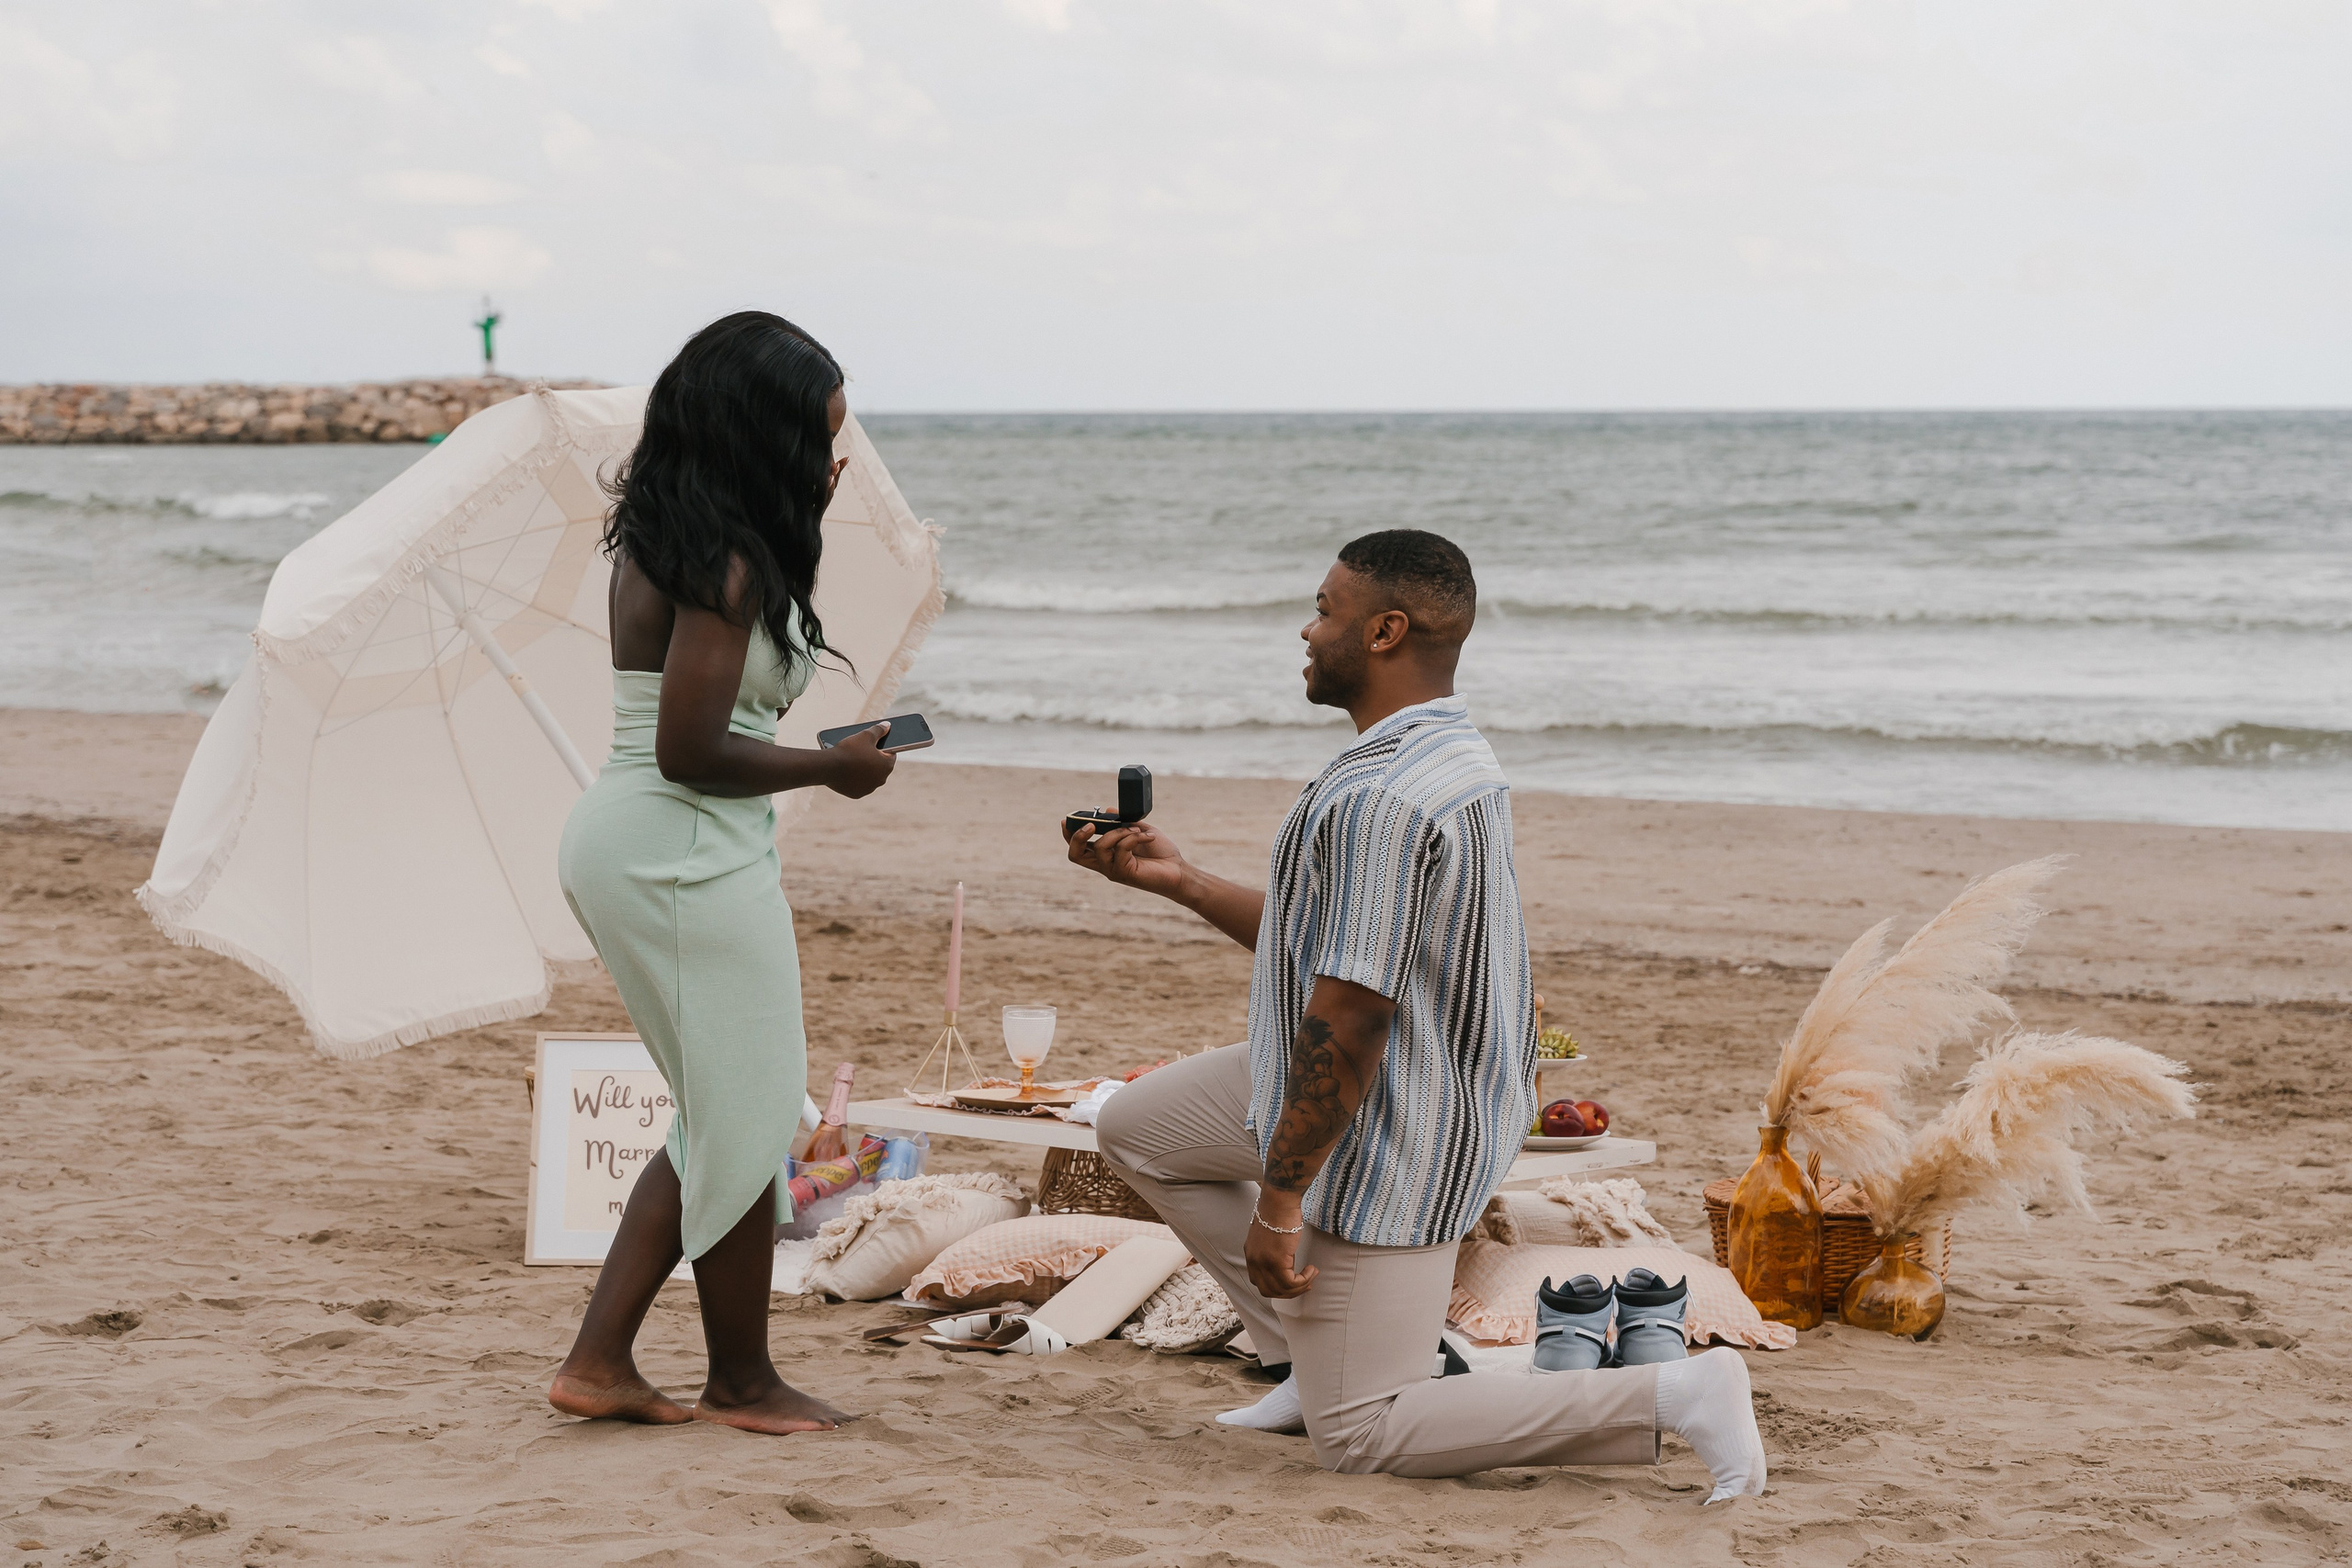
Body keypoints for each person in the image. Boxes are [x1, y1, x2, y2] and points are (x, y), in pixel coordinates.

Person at [1074, 529, 1767, 1500]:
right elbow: (1341, 948)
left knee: (1361, 1436)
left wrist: (1280, 1206)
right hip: (1417, 1073)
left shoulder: (1383, 797)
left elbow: (1351, 1019)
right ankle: (1310, 1355)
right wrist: (1181, 881)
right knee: (1139, 1127)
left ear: (1385, 630)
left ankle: (1673, 1393)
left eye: (1324, 609)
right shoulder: (1446, 751)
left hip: (1402, 1122)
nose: (1306, 630)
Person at [547, 312, 896, 1435]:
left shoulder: (687, 541)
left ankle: (602, 1362)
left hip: (667, 841)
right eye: (822, 439)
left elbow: (700, 730)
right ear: (764, 437)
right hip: (678, 845)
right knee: (743, 1111)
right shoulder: (729, 562)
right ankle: (738, 1379)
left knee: (724, 1110)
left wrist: (813, 756)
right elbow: (690, 749)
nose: (836, 461)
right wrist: (832, 769)